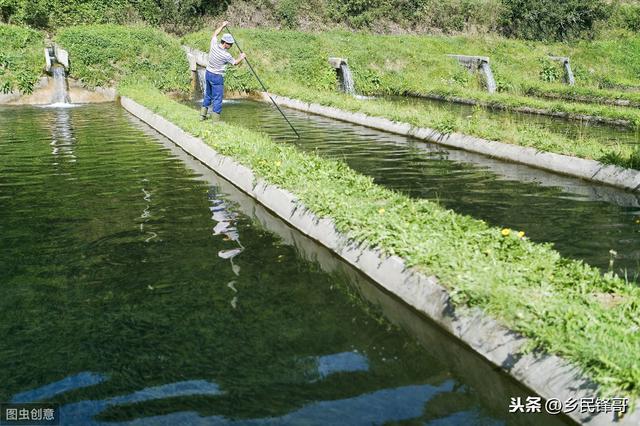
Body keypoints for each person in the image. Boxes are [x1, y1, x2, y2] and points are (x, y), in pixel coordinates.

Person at [200, 21, 246, 121]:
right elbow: (235, 63)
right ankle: (215, 121)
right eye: (230, 44)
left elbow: (215, 33)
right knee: (217, 98)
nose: (231, 46)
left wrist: (222, 26)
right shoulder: (226, 55)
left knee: (208, 94)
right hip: (217, 77)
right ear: (225, 44)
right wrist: (241, 57)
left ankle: (202, 116)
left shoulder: (213, 44)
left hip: (208, 73)